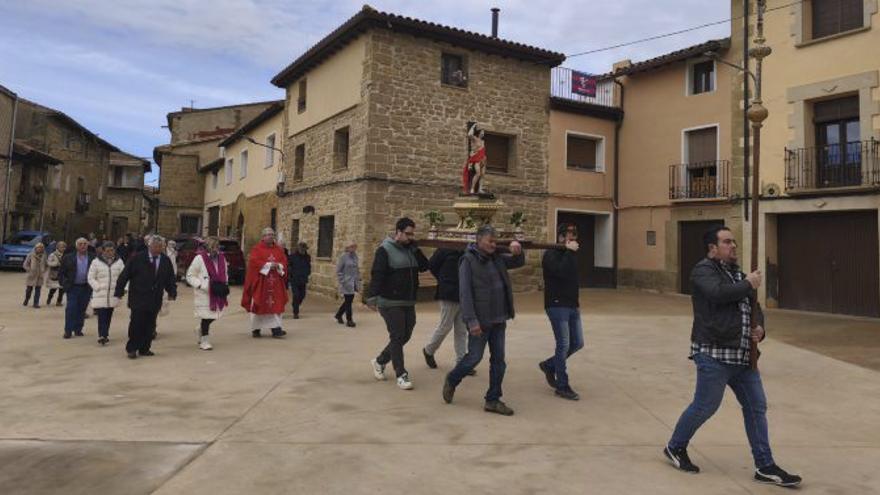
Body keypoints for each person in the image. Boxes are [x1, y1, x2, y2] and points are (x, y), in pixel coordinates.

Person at [663, 226, 801, 487]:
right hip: (713, 352)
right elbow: (718, 294)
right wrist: (747, 283)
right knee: (705, 406)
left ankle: (764, 465)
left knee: (756, 407)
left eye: (734, 241)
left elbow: (754, 307)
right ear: (712, 249)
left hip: (743, 356)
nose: (733, 246)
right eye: (727, 242)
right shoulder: (703, 271)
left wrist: (760, 327)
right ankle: (675, 446)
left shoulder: (737, 273)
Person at [442, 225, 524, 416]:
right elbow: (465, 294)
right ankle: (452, 379)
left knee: (499, 360)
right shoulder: (468, 261)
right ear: (479, 240)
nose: (494, 245)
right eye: (490, 241)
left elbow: (517, 261)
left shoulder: (497, 257)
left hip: (499, 317)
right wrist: (471, 321)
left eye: (496, 241)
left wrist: (518, 251)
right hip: (480, 320)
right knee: (473, 358)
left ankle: (493, 399)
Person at [367, 217, 430, 390]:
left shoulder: (411, 249)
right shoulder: (384, 250)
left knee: (406, 334)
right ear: (398, 232)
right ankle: (401, 374)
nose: (411, 237)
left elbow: (425, 266)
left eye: (412, 234)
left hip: (408, 300)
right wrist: (372, 297)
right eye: (408, 234)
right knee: (397, 335)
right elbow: (377, 274)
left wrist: (416, 249)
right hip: (389, 301)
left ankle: (380, 361)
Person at [537, 223, 584, 401]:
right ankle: (562, 386)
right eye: (569, 235)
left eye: (574, 235)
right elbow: (561, 272)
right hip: (556, 305)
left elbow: (572, 279)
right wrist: (570, 252)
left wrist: (576, 303)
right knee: (563, 344)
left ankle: (549, 365)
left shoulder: (569, 254)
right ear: (561, 237)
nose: (572, 239)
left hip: (572, 304)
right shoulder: (551, 254)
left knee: (577, 343)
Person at [114, 235, 177, 359]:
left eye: (161, 247)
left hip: (155, 297)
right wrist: (119, 290)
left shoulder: (165, 260)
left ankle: (144, 348)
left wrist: (172, 292)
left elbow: (170, 278)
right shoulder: (137, 258)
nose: (159, 249)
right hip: (138, 296)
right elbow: (124, 275)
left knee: (150, 324)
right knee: (137, 323)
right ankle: (132, 348)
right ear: (150, 246)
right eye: (156, 246)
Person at [422, 247, 470, 372]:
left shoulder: (469, 249)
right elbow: (432, 265)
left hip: (465, 293)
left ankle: (461, 362)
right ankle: (429, 350)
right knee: (445, 326)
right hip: (448, 292)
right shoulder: (444, 250)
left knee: (462, 329)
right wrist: (443, 279)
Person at [241, 227, 289, 339]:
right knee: (259, 305)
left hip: (275, 283)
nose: (270, 236)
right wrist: (268, 265)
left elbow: (284, 262)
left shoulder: (278, 250)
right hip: (261, 283)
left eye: (272, 234)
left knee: (276, 305)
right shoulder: (257, 249)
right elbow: (253, 263)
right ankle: (256, 329)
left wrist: (279, 265)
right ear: (263, 237)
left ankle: (276, 329)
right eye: (268, 234)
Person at [186, 237, 229, 351]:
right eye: (213, 246)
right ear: (208, 247)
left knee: (215, 315)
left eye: (217, 246)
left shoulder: (222, 258)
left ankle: (200, 329)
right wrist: (200, 285)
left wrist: (225, 284)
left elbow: (225, 272)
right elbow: (190, 275)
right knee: (206, 316)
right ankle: (204, 341)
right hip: (204, 292)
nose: (216, 249)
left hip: (218, 290)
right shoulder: (199, 258)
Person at [87, 241, 124, 346]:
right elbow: (90, 277)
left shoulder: (119, 262)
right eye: (107, 250)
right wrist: (97, 287)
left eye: (112, 250)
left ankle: (105, 334)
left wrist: (123, 288)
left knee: (108, 314)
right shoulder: (96, 262)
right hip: (100, 293)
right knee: (101, 314)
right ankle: (102, 335)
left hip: (113, 293)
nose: (110, 252)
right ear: (103, 251)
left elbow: (123, 276)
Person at [59, 238, 95, 338]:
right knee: (71, 309)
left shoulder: (93, 257)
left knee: (81, 309)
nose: (83, 246)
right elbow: (61, 273)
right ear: (76, 246)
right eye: (80, 244)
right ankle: (68, 331)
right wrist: (64, 284)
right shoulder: (68, 257)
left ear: (88, 245)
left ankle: (78, 329)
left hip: (86, 287)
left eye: (85, 244)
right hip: (72, 287)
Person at [335, 241, 360, 327]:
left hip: (353, 282)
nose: (353, 248)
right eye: (352, 247)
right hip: (346, 282)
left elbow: (356, 270)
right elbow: (339, 271)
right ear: (348, 247)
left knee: (348, 301)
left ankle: (338, 314)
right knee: (348, 302)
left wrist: (358, 281)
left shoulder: (355, 257)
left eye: (354, 247)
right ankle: (349, 320)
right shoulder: (343, 257)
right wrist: (343, 281)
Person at [288, 242, 311, 319]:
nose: (302, 250)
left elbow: (308, 266)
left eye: (304, 249)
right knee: (296, 295)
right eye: (301, 249)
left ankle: (296, 304)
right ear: (298, 249)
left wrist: (308, 272)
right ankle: (296, 312)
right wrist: (291, 274)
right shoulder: (292, 256)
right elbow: (289, 266)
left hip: (303, 279)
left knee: (302, 295)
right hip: (294, 279)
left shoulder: (307, 257)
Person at [22, 242, 48, 308]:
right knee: (29, 290)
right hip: (31, 275)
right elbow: (25, 264)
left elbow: (46, 264)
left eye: (41, 248)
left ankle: (36, 303)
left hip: (40, 276)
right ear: (35, 248)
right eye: (38, 248)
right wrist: (29, 270)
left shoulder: (44, 255)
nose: (40, 249)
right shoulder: (30, 255)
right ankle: (27, 299)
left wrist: (44, 270)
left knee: (38, 290)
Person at [46, 241, 66, 306]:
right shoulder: (52, 255)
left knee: (62, 289)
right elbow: (48, 263)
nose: (62, 248)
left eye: (64, 247)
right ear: (57, 247)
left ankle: (59, 302)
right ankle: (49, 298)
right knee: (53, 289)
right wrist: (56, 264)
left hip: (62, 274)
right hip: (55, 273)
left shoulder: (66, 255)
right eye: (61, 247)